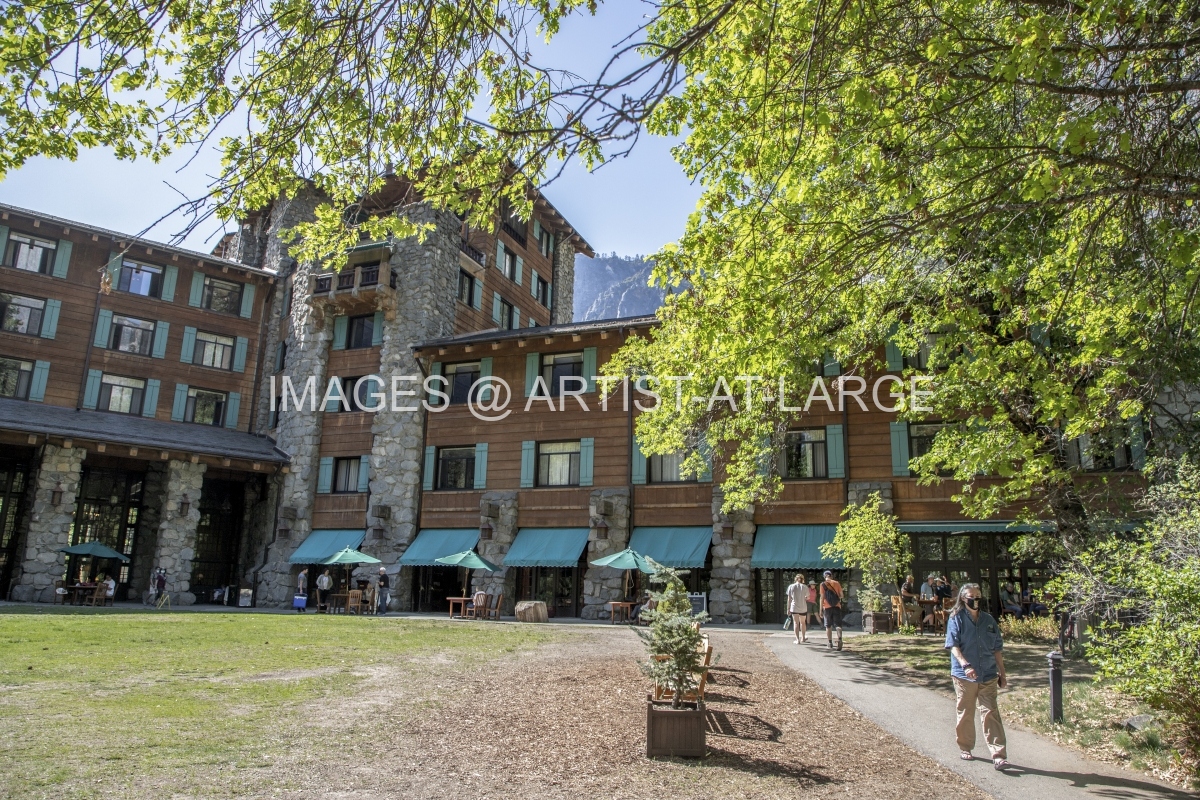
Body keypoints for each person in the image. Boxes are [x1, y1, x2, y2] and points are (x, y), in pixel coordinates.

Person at [945, 583, 1010, 770]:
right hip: (964, 675)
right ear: (963, 598)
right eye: (971, 596)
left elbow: (997, 649)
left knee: (991, 712)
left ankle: (998, 755)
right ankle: (965, 747)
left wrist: (1002, 673)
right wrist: (965, 665)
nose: (975, 600)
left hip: (988, 673)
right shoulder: (956, 618)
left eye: (978, 596)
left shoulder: (988, 620)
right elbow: (953, 645)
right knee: (966, 711)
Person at [820, 570, 844, 650]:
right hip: (837, 606)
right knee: (838, 625)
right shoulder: (837, 583)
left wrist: (820, 609)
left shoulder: (823, 584)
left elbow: (822, 597)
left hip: (827, 607)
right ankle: (840, 639)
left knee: (828, 625)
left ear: (824, 576)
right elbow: (842, 595)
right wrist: (836, 598)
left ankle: (830, 643)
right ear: (831, 576)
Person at [786, 573, 809, 644]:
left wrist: (788, 608)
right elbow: (808, 597)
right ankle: (803, 637)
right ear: (802, 579)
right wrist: (804, 598)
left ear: (795, 579)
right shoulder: (805, 587)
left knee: (796, 623)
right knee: (803, 623)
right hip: (803, 607)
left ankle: (797, 639)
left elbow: (789, 599)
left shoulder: (791, 586)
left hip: (794, 607)